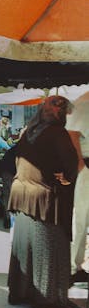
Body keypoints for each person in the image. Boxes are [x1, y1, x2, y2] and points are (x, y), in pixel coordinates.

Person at [7, 96, 78, 308]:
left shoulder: (29, 130)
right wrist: (66, 177)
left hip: (22, 195)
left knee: (26, 248)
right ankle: (48, 298)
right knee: (50, 248)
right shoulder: (58, 133)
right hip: (45, 199)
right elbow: (70, 163)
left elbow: (10, 158)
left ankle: (21, 292)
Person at [66, 92, 89, 284]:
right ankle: (74, 266)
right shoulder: (83, 103)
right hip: (86, 167)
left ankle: (77, 265)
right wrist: (80, 162)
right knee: (80, 217)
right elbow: (72, 133)